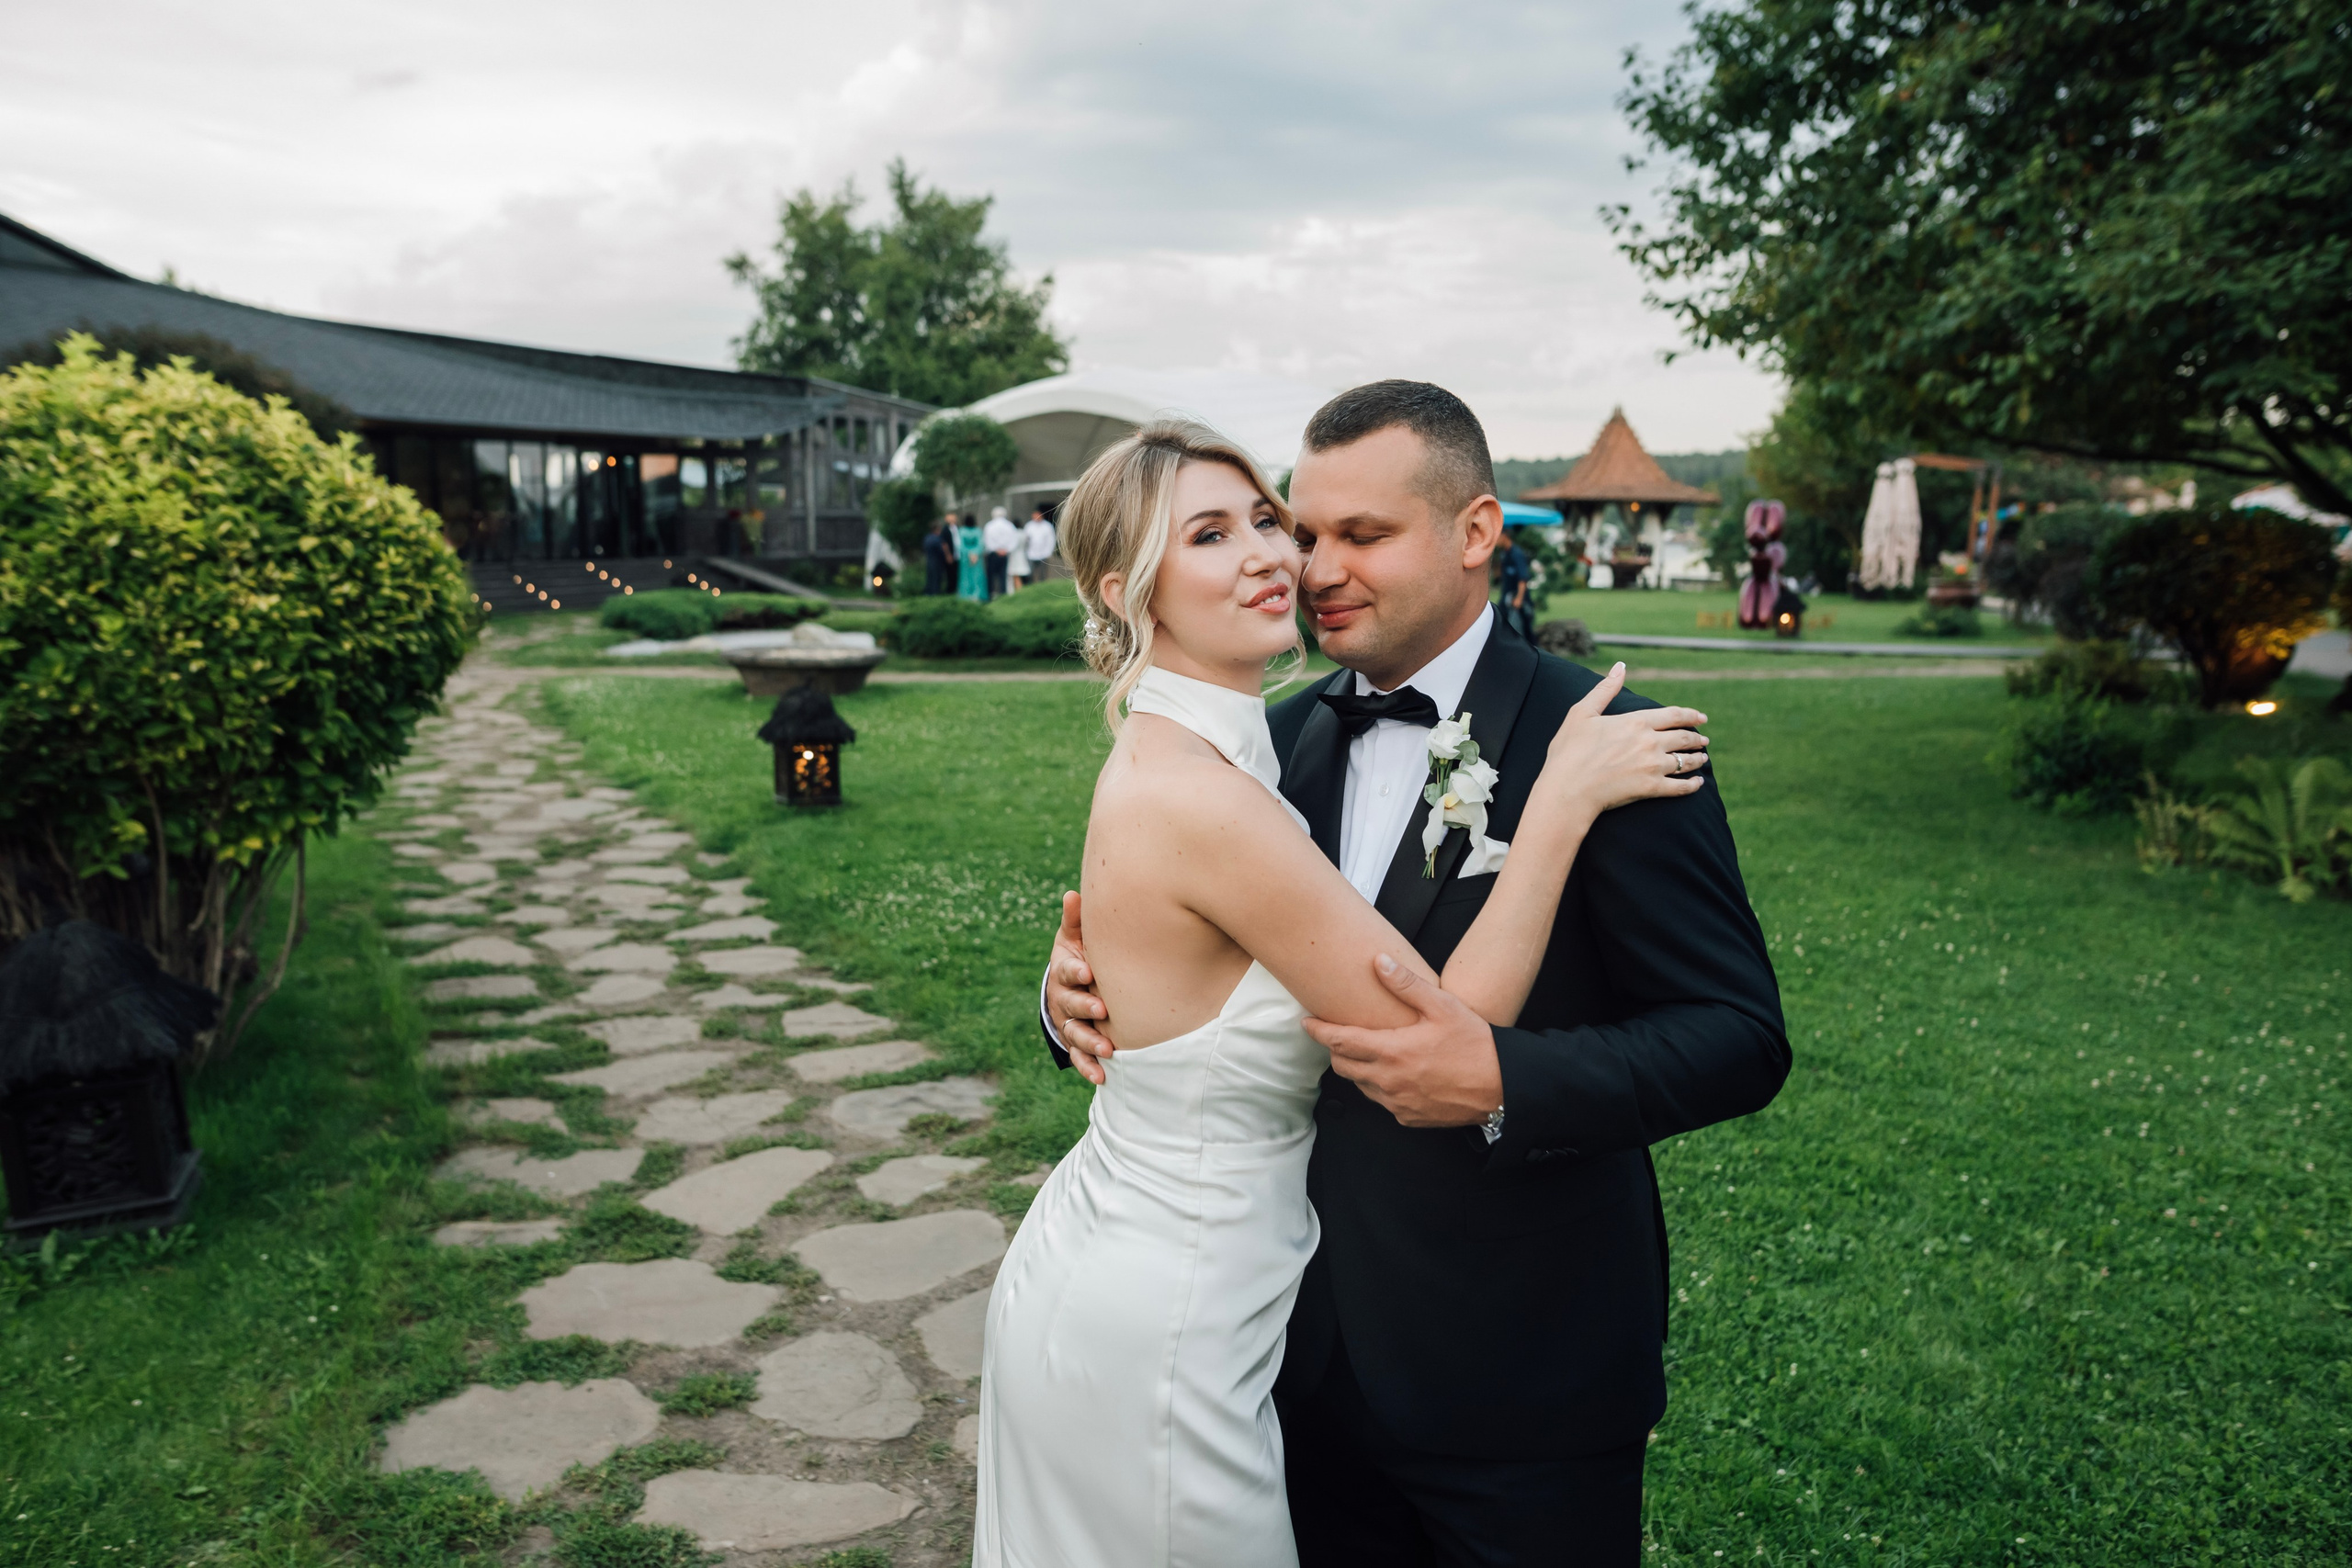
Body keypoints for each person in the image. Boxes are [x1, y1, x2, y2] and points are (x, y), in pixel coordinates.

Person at [978, 404, 1756, 1568]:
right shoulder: (1270, 741)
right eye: (1304, 529)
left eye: (1359, 534)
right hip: (1291, 1363)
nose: (1310, 567)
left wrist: (1505, 1075)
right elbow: (1181, 958)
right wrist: (1075, 1000)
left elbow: (1736, 1036)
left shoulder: (1611, 744)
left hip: (1516, 1371)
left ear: (1476, 530)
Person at [1498, 519, 1537, 642]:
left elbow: (1523, 578)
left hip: (1518, 601)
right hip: (1507, 598)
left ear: (1504, 536)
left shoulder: (1517, 554)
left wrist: (1519, 599)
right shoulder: (1505, 554)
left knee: (1522, 633)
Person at [983, 504, 1021, 600]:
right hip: (1005, 554)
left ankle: (990, 595)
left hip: (993, 554)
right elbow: (1014, 540)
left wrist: (996, 549)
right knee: (1003, 576)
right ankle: (1003, 595)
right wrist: (1006, 550)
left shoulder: (989, 525)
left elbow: (986, 540)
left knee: (991, 576)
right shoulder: (1009, 525)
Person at [1023, 504, 1058, 583]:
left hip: (1043, 553)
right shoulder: (1029, 526)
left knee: (1043, 573)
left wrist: (1049, 551)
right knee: (1031, 572)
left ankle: (1043, 584)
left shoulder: (1047, 526)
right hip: (1031, 553)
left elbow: (1051, 540)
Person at [956, 512, 987, 602]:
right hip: (976, 558)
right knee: (977, 577)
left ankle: (965, 596)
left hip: (965, 558)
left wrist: (968, 553)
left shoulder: (961, 531)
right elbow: (981, 544)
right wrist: (975, 553)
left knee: (965, 577)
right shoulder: (978, 531)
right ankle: (977, 595)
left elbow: (960, 545)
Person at [922, 515, 954, 596]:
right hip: (937, 562)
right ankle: (935, 594)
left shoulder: (927, 538)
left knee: (931, 578)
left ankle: (929, 593)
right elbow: (943, 547)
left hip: (930, 561)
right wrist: (948, 556)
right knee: (937, 579)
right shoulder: (937, 539)